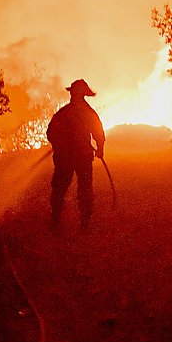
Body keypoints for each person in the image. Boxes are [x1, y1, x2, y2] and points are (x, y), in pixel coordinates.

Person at [46, 78, 106, 231]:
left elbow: (51, 132)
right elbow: (98, 133)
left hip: (70, 157)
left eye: (74, 92)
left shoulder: (65, 113)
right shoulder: (87, 113)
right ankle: (78, 223)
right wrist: (99, 148)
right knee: (80, 188)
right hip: (78, 156)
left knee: (64, 188)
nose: (72, 95)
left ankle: (58, 221)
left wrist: (58, 145)